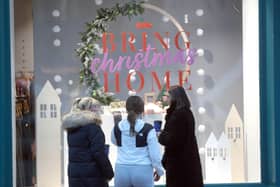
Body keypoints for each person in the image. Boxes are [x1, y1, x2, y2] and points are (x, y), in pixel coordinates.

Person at [111, 95, 164, 187]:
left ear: (126, 109)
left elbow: (114, 142)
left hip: (121, 169)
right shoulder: (148, 129)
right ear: (142, 110)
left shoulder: (117, 127)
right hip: (143, 170)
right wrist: (159, 171)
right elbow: (155, 155)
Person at [62, 97, 114, 187]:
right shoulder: (93, 127)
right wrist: (109, 172)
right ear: (89, 109)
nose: (99, 111)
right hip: (93, 176)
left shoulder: (72, 128)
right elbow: (98, 153)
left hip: (75, 174)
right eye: (96, 108)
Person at [159, 85, 203, 187]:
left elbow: (172, 140)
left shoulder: (177, 115)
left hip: (179, 167)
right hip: (188, 165)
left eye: (169, 97)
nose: (167, 100)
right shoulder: (187, 113)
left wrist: (161, 136)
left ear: (175, 98)